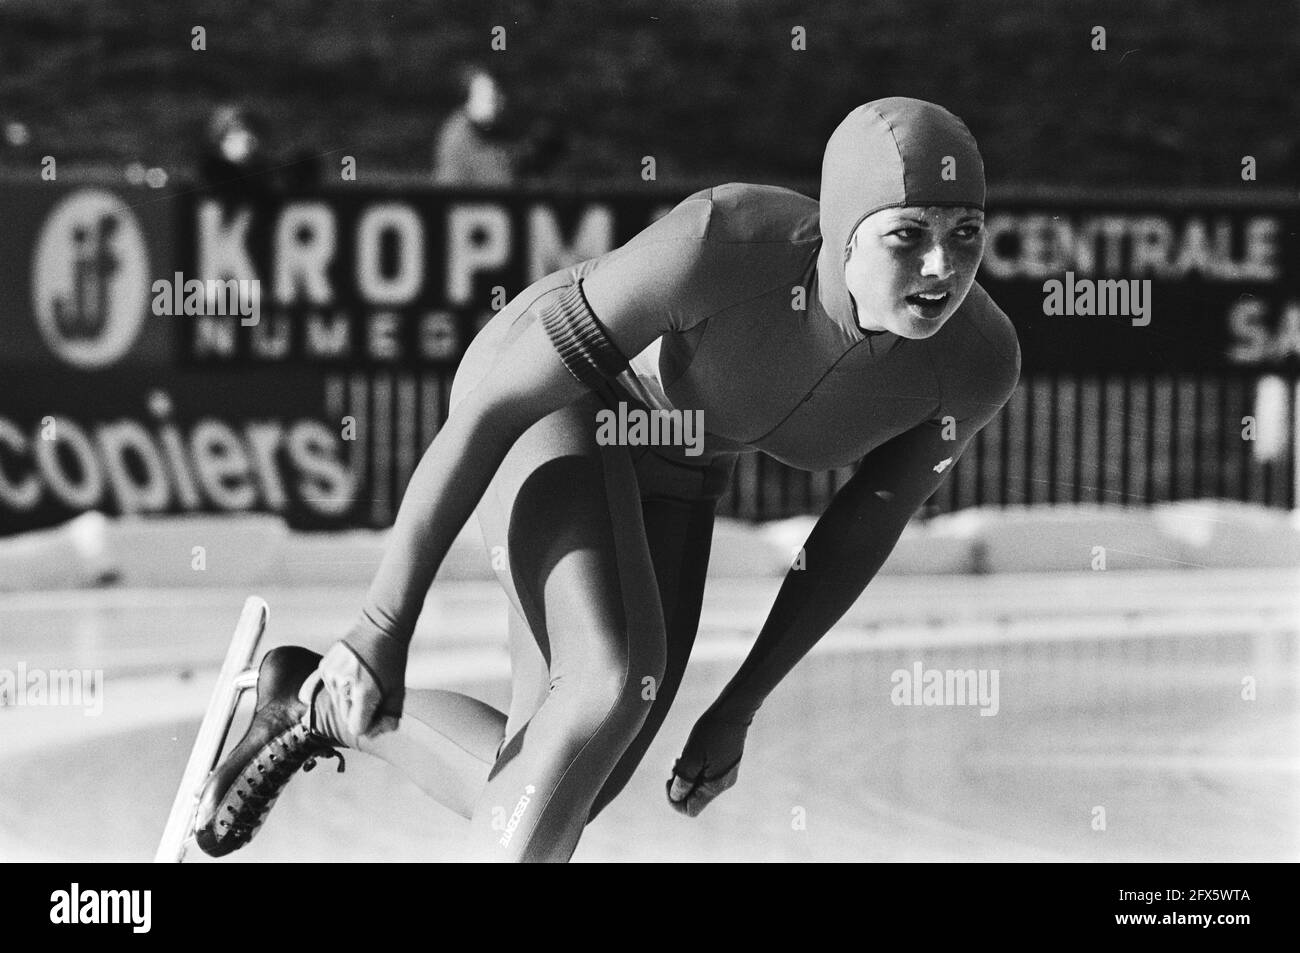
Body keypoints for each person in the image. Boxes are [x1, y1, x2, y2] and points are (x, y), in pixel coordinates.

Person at [196, 97, 1020, 862]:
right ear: (842, 230)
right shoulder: (721, 242)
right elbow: (492, 411)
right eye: (908, 234)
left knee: (578, 772)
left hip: (683, 460)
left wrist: (738, 706)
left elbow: (854, 536)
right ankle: (337, 682)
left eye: (967, 233)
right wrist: (382, 625)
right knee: (609, 683)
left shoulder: (975, 363)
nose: (942, 266)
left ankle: (307, 699)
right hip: (552, 400)